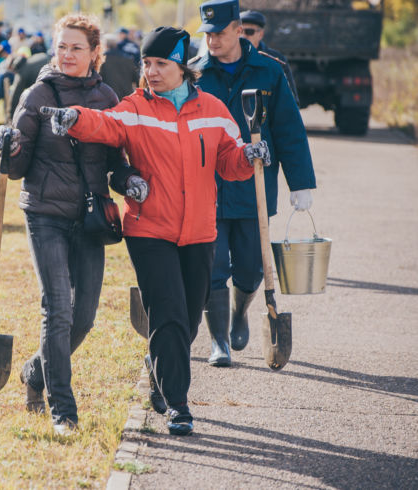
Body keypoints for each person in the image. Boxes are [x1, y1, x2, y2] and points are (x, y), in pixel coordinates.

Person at [40, 26, 271, 435]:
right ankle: (178, 406)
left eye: (161, 64)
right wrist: (74, 119)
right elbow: (103, 124)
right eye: (147, 64)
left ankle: (159, 365)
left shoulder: (215, 110)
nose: (152, 71)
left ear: (183, 66)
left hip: (200, 231)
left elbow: (230, 162)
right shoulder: (135, 107)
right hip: (150, 230)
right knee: (167, 315)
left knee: (188, 319)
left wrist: (249, 155)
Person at [0, 13, 137, 437]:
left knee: (84, 318)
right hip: (45, 213)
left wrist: (132, 181)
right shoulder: (38, 93)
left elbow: (115, 162)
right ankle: (63, 411)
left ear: (95, 53)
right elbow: (17, 168)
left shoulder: (109, 96)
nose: (68, 54)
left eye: (77, 47)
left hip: (91, 218)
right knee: (57, 309)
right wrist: (10, 144)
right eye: (62, 46)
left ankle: (34, 373)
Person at [192, 0, 316, 367]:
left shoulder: (269, 71)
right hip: (207, 185)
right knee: (211, 267)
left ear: (237, 30)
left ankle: (238, 312)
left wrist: (301, 182)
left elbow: (289, 129)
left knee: (250, 269)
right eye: (207, 34)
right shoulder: (195, 74)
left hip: (254, 187)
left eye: (218, 33)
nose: (211, 40)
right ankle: (218, 342)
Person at [240, 10, 299, 106]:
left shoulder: (276, 60)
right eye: (240, 31)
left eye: (249, 32)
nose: (243, 36)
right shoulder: (229, 58)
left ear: (260, 34)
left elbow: (292, 100)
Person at [99, 33, 139, 100]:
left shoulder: (102, 61)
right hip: (126, 98)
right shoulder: (128, 59)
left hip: (108, 98)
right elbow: (137, 79)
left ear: (105, 45)